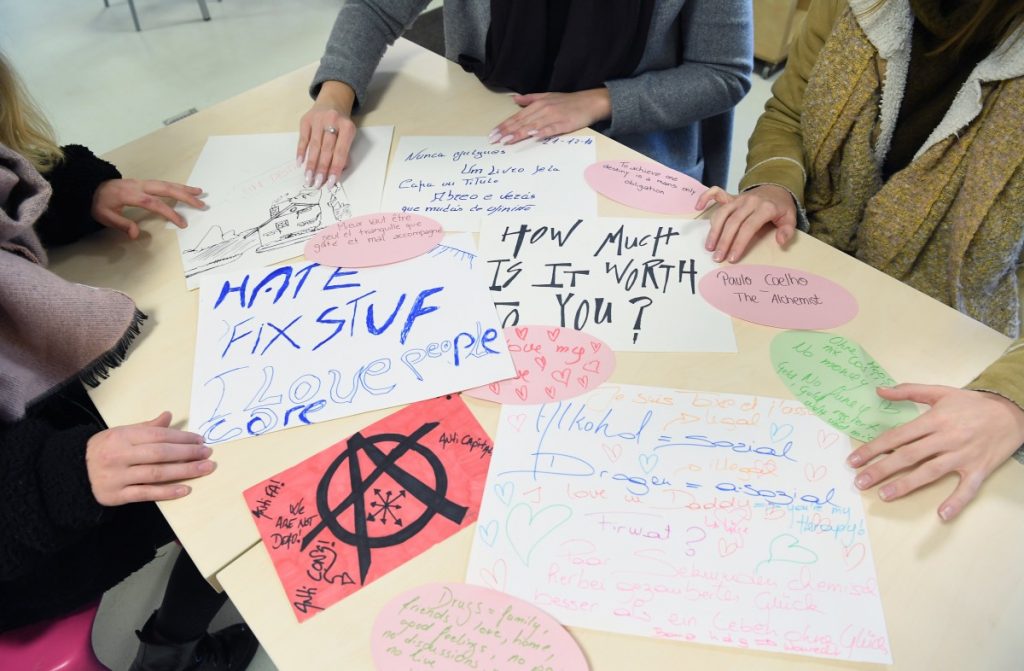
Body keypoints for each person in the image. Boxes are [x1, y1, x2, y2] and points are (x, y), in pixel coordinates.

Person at [696, 0, 1024, 521]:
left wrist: (1010, 402)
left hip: (960, 341)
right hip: (812, 276)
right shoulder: (854, 6)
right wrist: (775, 182)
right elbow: (789, 117)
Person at [0, 53, 258, 670]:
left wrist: (86, 194)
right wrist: (65, 473)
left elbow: (32, 180)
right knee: (238, 468)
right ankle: (171, 653)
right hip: (23, 529)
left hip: (44, 436)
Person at [297, 0, 752, 190]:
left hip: (632, 149)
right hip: (489, 132)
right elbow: (376, 7)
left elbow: (723, 73)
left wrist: (599, 101)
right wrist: (335, 97)